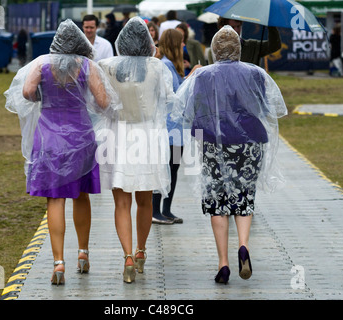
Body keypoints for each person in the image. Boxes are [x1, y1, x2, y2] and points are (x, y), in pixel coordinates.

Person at [4, 19, 119, 285]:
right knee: (80, 196)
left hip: (49, 137)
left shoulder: (42, 64)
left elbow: (27, 92)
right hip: (80, 135)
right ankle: (83, 252)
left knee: (55, 200)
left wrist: (44, 97)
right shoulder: (87, 65)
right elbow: (103, 102)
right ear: (80, 40)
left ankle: (58, 263)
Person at [173, 26, 287, 284]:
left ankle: (223, 263)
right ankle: (243, 246)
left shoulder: (203, 76)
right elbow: (266, 109)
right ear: (238, 49)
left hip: (214, 142)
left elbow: (189, 110)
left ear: (214, 50)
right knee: (244, 195)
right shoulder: (255, 73)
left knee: (217, 200)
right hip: (249, 144)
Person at [98, 17, 175, 283]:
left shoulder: (106, 66)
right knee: (144, 201)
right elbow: (169, 100)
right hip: (146, 137)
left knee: (121, 202)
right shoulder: (157, 67)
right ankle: (141, 251)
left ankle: (127, 256)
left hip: (117, 136)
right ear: (148, 41)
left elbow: (101, 103)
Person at [153, 29, 201, 225]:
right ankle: (155, 210)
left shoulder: (172, 67)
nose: (183, 45)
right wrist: (192, 76)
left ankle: (166, 209)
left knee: (173, 169)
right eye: (181, 42)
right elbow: (173, 95)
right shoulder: (164, 66)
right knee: (164, 168)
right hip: (168, 129)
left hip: (177, 130)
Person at [208, 18, 281, 66]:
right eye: (232, 27)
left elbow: (275, 45)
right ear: (222, 28)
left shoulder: (253, 46)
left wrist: (270, 25)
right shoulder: (214, 50)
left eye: (238, 26)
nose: (236, 30)